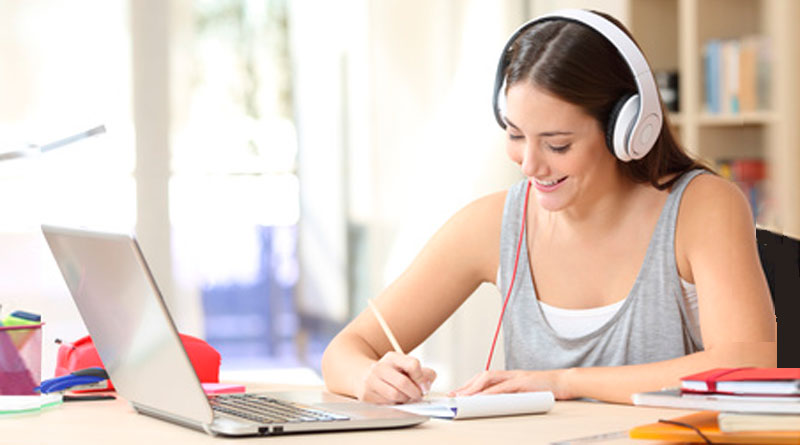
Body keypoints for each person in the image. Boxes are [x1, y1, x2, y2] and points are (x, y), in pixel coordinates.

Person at [320, 9, 777, 405]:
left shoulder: (703, 207)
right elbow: (347, 349)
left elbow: (744, 366)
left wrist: (562, 382)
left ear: (629, 129)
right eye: (516, 135)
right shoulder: (493, 223)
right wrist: (369, 378)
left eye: (557, 144)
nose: (530, 165)